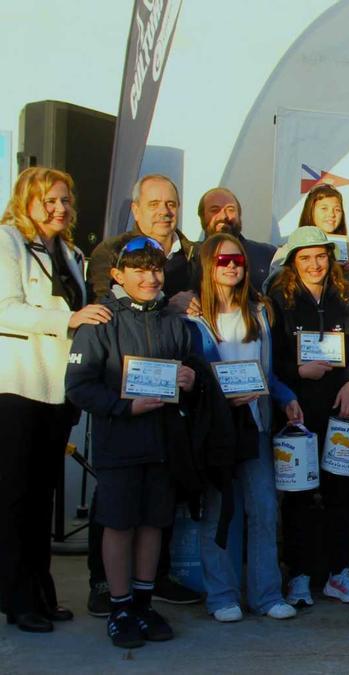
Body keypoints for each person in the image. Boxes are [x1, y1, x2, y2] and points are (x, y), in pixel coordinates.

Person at [65, 236, 195, 648]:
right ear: (119, 274)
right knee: (119, 526)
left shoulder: (176, 322)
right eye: (138, 269)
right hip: (120, 443)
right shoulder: (101, 323)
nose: (149, 277)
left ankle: (142, 601)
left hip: (162, 444)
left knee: (154, 523)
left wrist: (191, 379)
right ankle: (119, 606)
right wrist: (125, 407)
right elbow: (79, 387)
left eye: (155, 268)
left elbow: (193, 370)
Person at [0, 167, 104, 633]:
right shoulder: (7, 242)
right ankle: (17, 599)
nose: (60, 208)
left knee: (42, 498)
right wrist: (68, 318)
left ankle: (41, 593)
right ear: (26, 201)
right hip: (18, 388)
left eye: (65, 200)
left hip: (58, 391)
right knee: (15, 499)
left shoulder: (71, 252)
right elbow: (5, 308)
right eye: (50, 200)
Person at [187, 233, 302, 622]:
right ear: (208, 266)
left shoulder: (261, 312)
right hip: (216, 429)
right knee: (218, 513)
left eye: (237, 260)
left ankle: (267, 595)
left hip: (257, 424)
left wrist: (286, 397)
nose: (232, 266)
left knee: (265, 510)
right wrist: (220, 398)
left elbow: (267, 374)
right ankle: (222, 597)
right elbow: (192, 379)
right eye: (222, 261)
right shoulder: (192, 317)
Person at [267, 226, 349, 608]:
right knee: (298, 495)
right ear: (294, 262)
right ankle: (299, 575)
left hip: (340, 410)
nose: (314, 264)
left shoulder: (348, 298)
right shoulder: (278, 300)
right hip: (297, 410)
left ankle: (339, 573)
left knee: (340, 493)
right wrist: (297, 376)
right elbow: (271, 360)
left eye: (321, 256)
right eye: (305, 258)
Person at [88, 174, 196, 304]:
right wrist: (167, 306)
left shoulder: (198, 254)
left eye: (171, 204)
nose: (164, 211)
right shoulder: (111, 251)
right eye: (154, 204)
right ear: (136, 210)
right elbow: (104, 305)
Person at [196, 187, 277, 291]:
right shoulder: (191, 257)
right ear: (202, 217)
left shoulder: (267, 254)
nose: (223, 216)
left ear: (239, 215)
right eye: (214, 210)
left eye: (230, 209)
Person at [296, 183, 349, 276]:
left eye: (337, 210)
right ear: (310, 211)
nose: (332, 214)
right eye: (324, 208)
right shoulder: (289, 250)